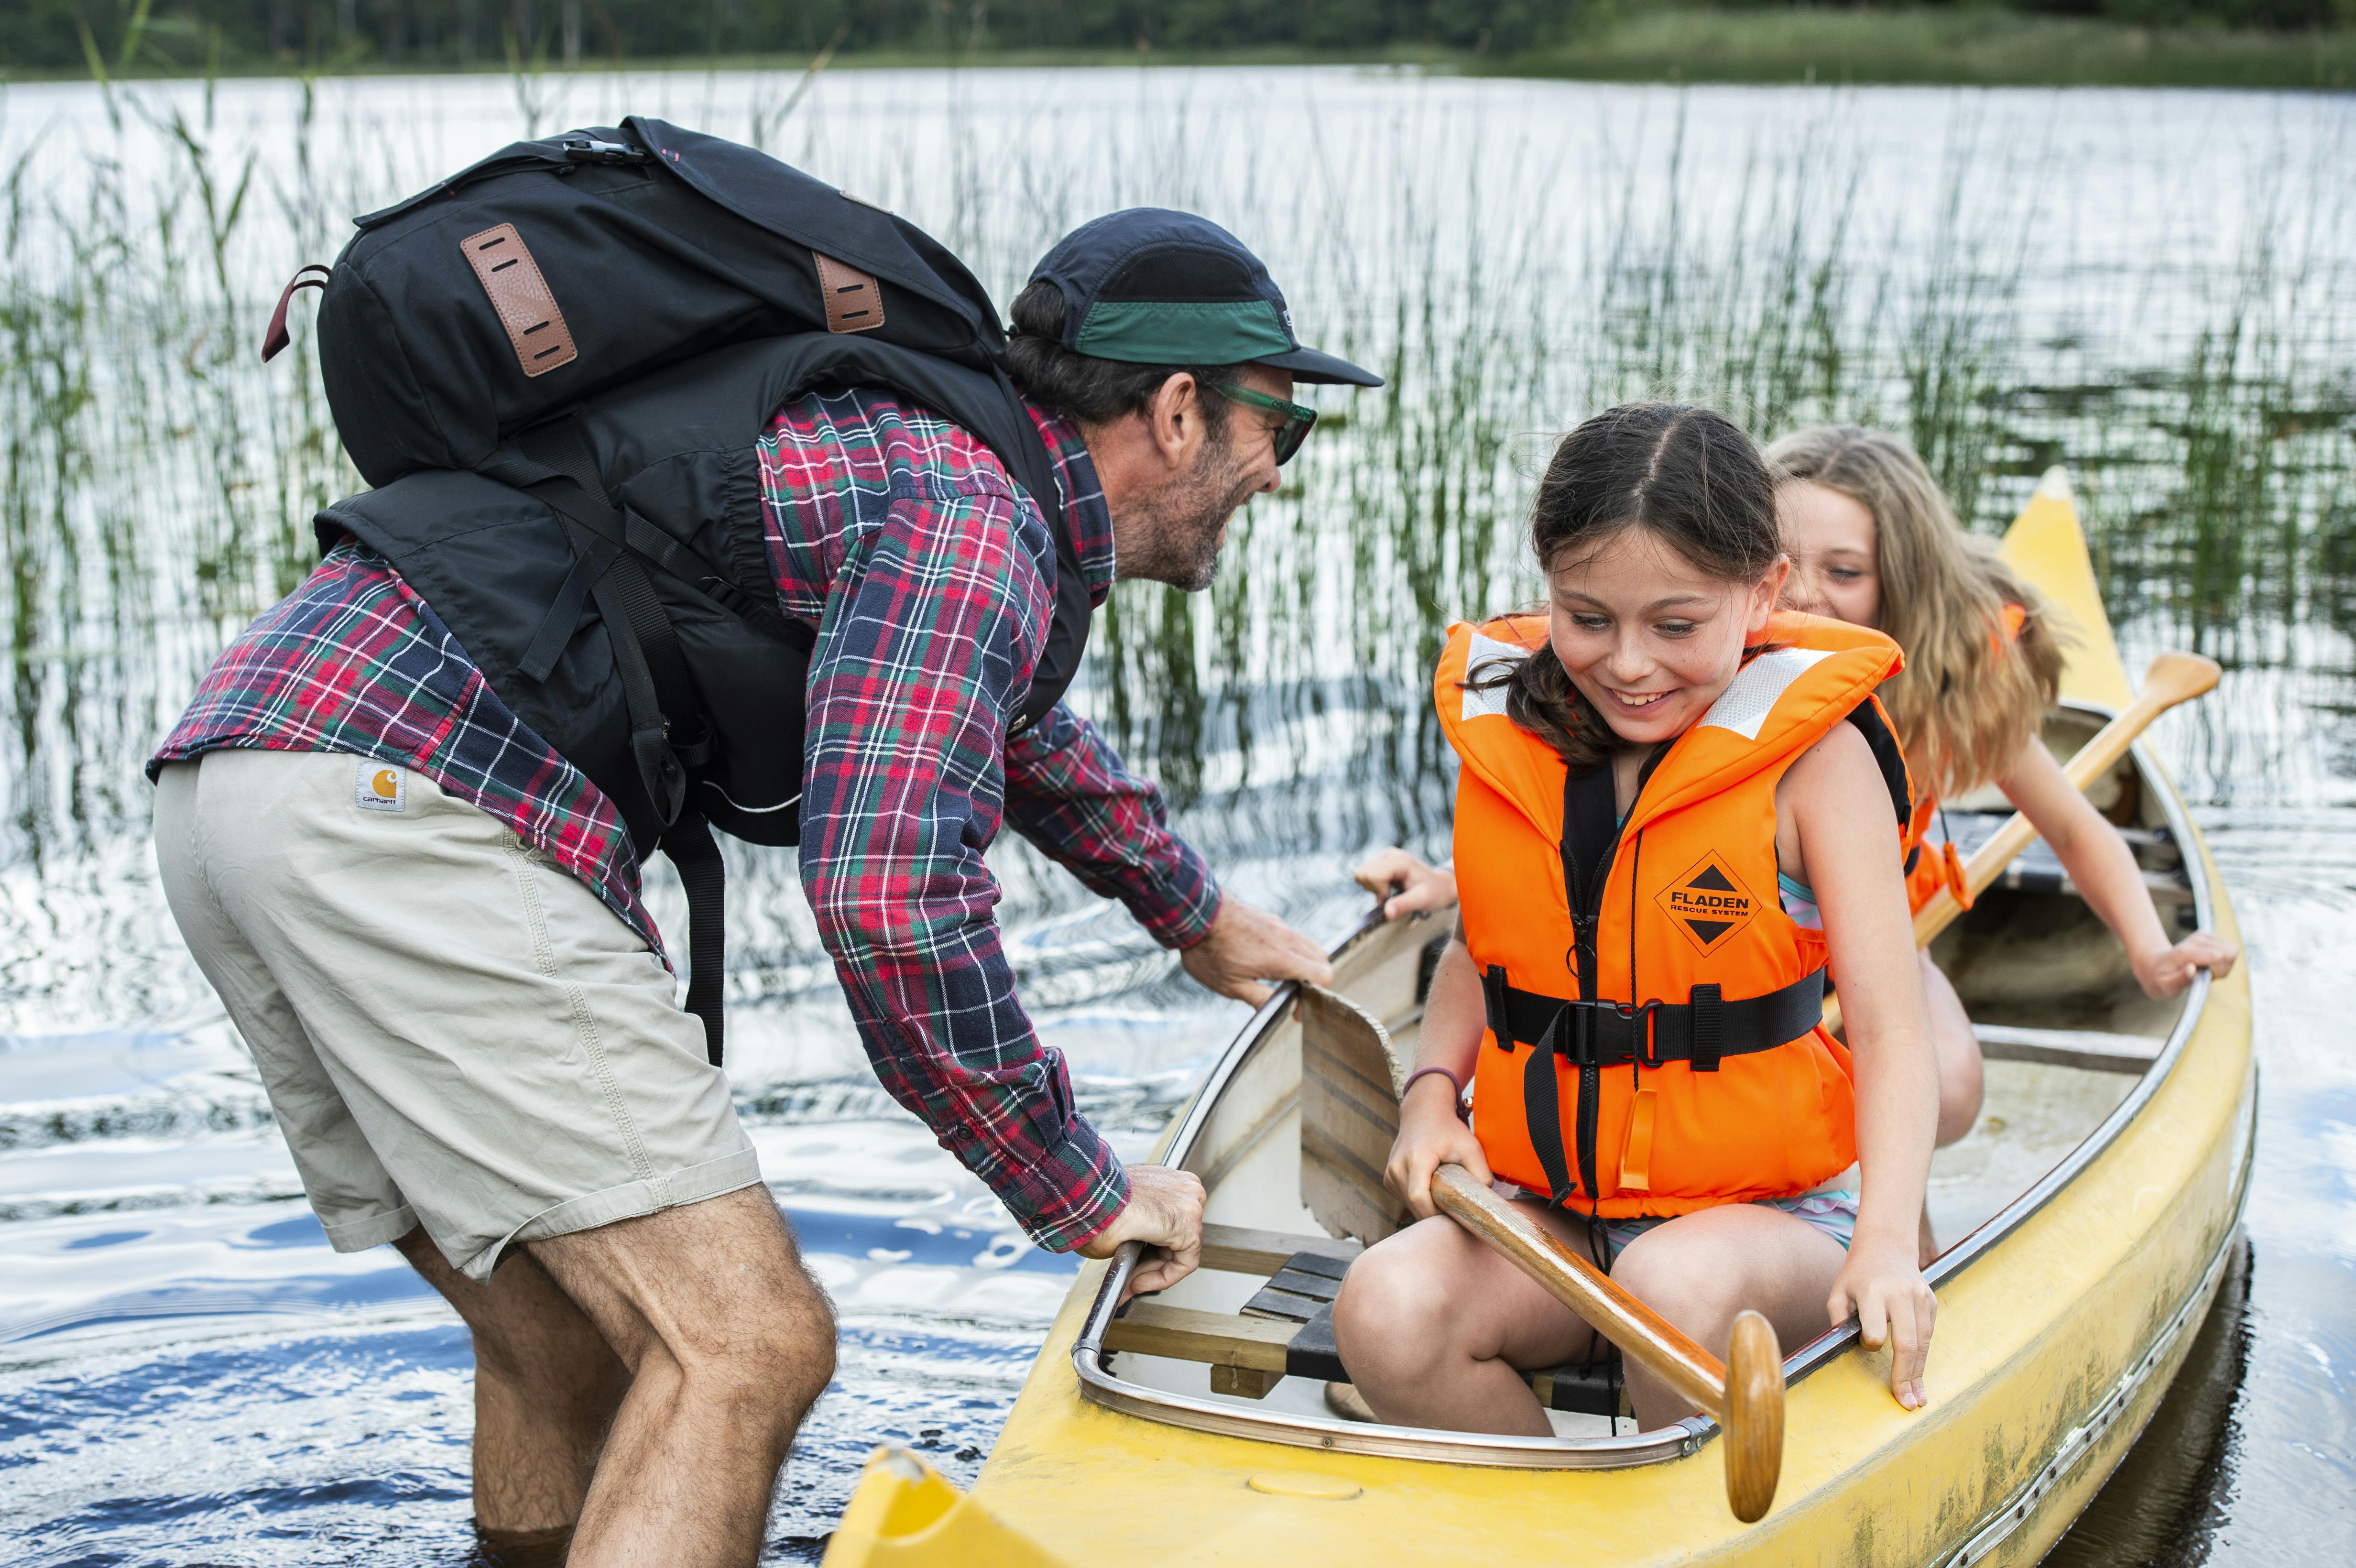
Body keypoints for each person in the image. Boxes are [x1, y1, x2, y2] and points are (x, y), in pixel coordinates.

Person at [147, 210, 1377, 1567]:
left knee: (556, 1344)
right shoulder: (975, 521)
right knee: (745, 1343)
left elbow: (998, 721)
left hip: (242, 780)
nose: (1279, 472)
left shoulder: (938, 463)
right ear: (1183, 410)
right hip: (406, 809)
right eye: (1285, 426)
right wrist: (1076, 1185)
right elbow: (891, 898)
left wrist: (1190, 913)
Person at [1331, 404, 1939, 1435]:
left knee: (1667, 1284)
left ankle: (1699, 1522)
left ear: (1762, 594)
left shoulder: (1816, 766)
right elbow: (1488, 960)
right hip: (1558, 1210)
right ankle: (1553, 1535)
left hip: (1778, 1219)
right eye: (1588, 617)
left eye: (1675, 625)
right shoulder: (1515, 738)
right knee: (1384, 1308)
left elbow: (1890, 1030)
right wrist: (1431, 1096)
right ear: (1550, 590)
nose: (1626, 663)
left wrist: (1885, 1236)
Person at [1769, 426, 2238, 1155]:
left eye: (1845, 572)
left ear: (1902, 584)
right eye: (1784, 559)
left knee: (1951, 1088)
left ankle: (1894, 1209)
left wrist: (2150, 951)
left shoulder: (1943, 691)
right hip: (1732, 945)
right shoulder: (1705, 661)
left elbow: (2078, 830)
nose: (1804, 591)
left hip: (1874, 934)